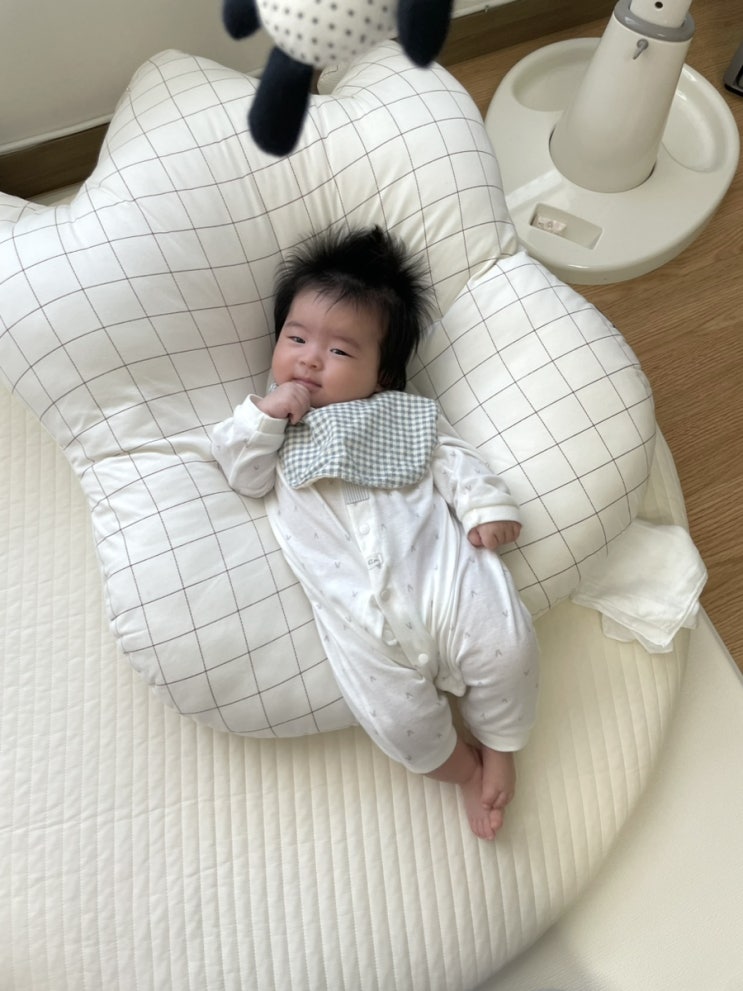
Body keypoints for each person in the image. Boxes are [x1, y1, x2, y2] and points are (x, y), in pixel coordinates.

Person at [211, 226, 539, 840]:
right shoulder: (270, 426)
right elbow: (242, 475)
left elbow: (454, 460)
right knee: (395, 718)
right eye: (296, 338)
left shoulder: (406, 415)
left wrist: (485, 507)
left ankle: (500, 743)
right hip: (355, 610)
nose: (310, 359)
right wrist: (264, 417)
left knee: (508, 644)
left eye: (340, 351)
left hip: (443, 579)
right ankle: (463, 770)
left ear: (383, 374)